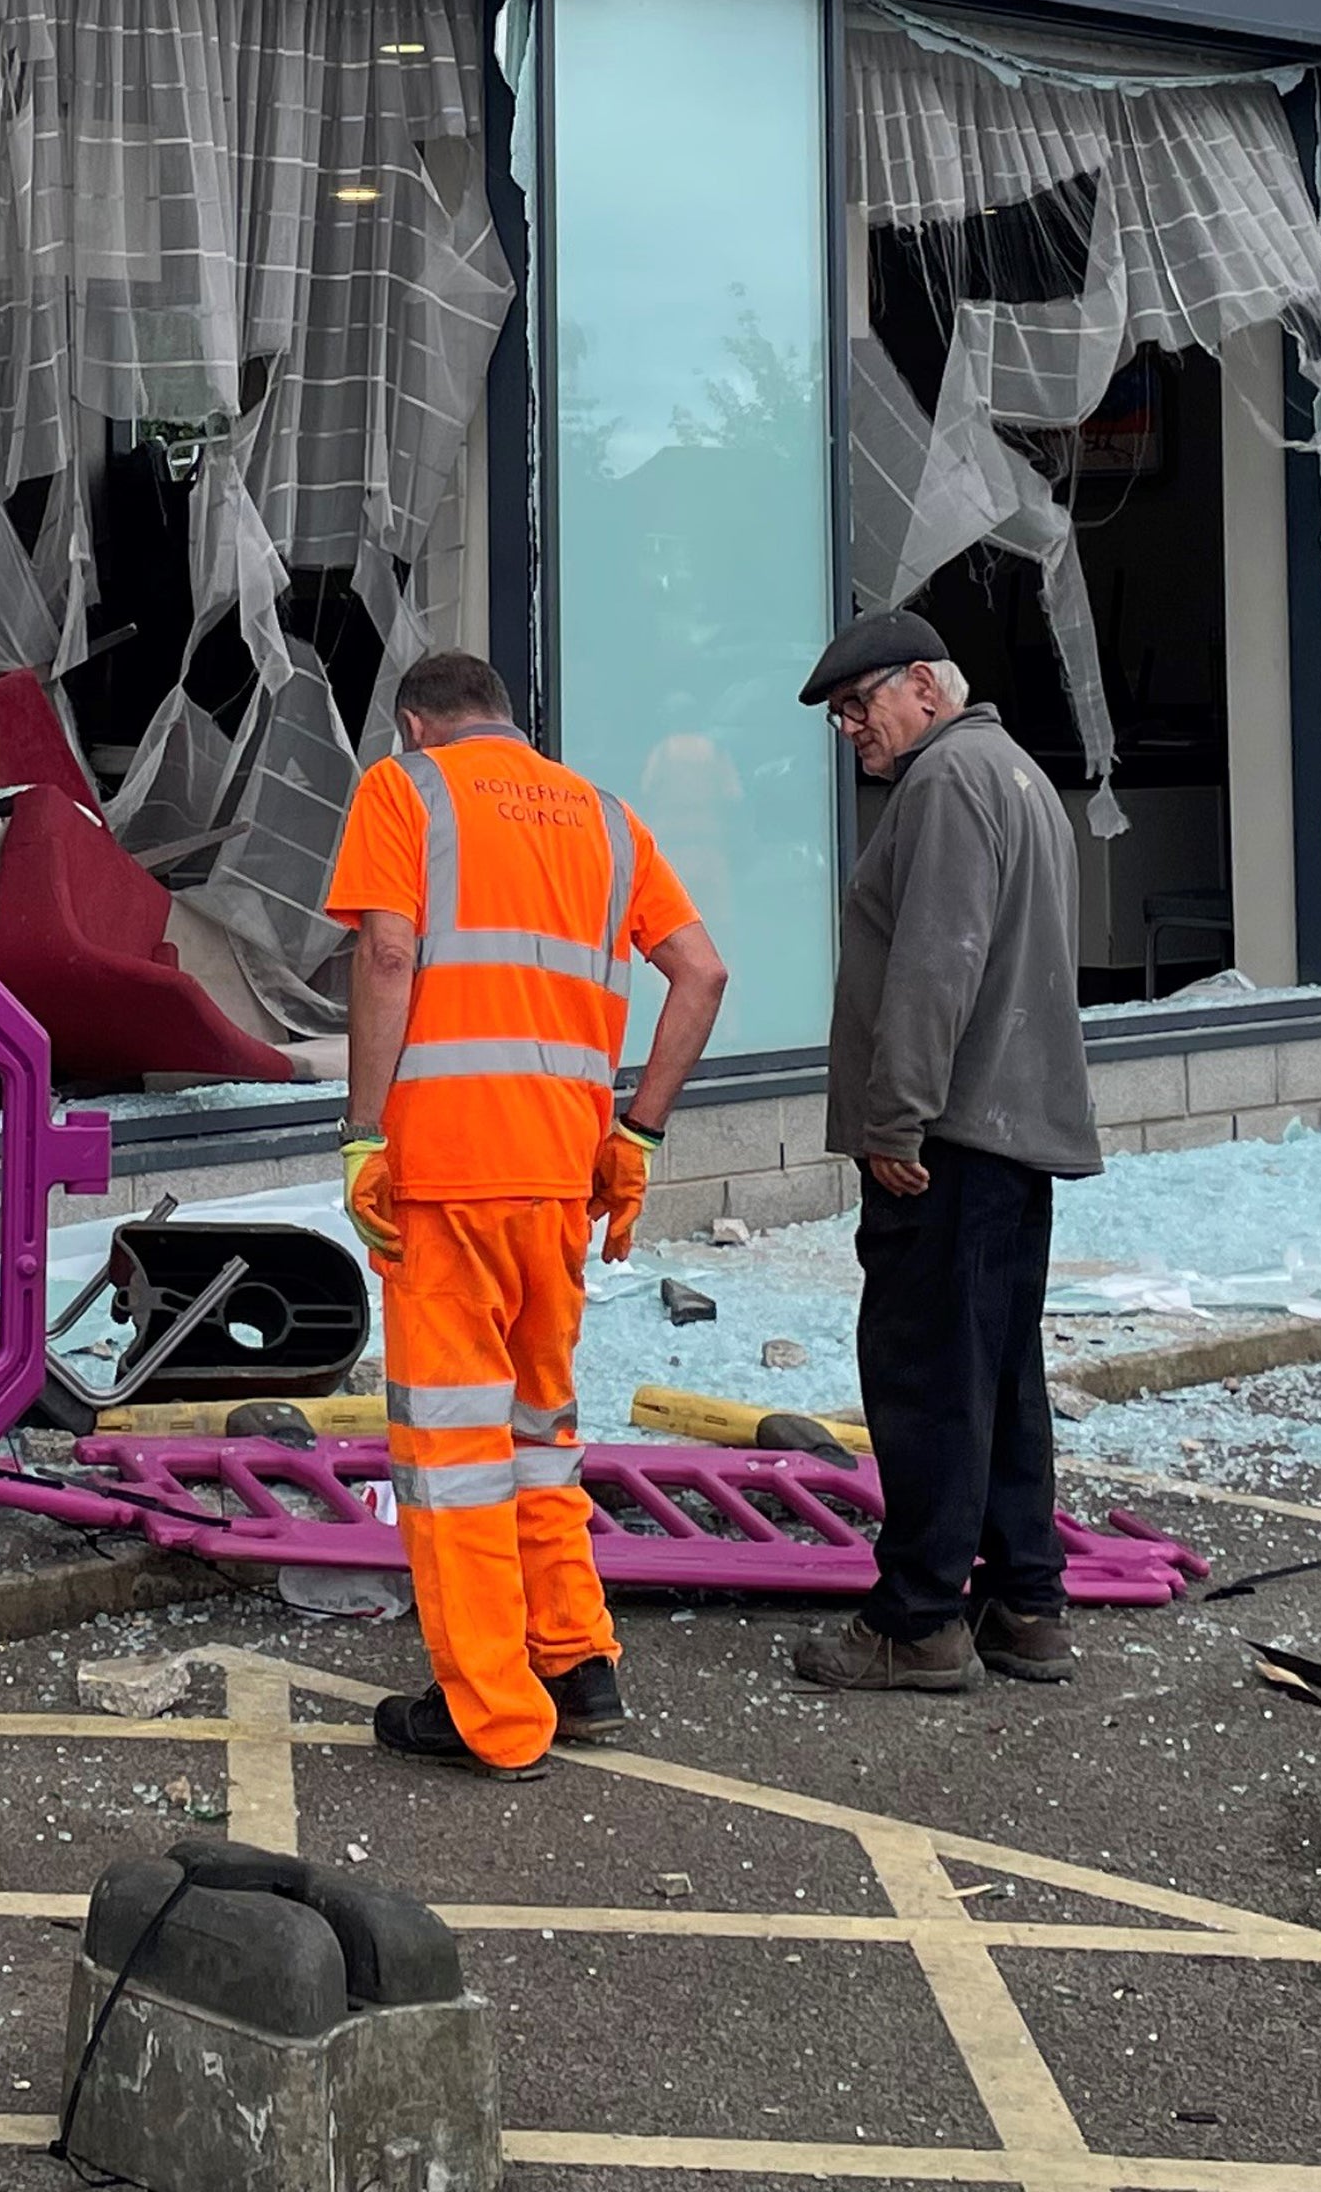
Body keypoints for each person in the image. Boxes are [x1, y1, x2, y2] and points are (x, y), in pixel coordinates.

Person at [328, 649, 728, 1777]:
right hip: (560, 1172)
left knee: (451, 1451)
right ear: (506, 720)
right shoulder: (606, 817)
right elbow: (699, 974)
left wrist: (365, 1131)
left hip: (446, 1172)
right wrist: (635, 1133)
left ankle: (490, 1714)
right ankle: (575, 1660)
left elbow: (388, 949)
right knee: (538, 1431)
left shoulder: (404, 790)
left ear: (415, 723)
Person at [786, 609, 1101, 1695]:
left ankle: (917, 1620)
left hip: (949, 1139)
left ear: (923, 685)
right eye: (839, 715)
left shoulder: (946, 784)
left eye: (857, 706)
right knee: (1001, 1374)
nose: (850, 730)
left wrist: (894, 1122)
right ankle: (1026, 1602)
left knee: (927, 1382)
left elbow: (937, 963)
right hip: (1011, 1136)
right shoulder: (1011, 773)